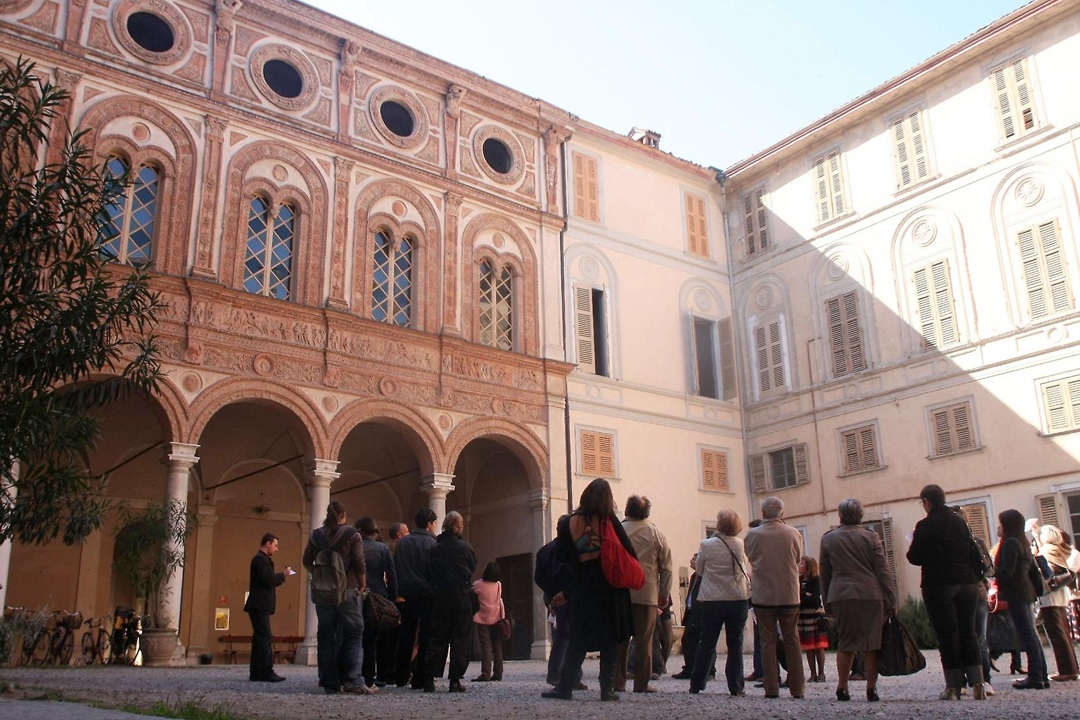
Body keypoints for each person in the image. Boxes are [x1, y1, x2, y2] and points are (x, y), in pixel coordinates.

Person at [541, 477, 635, 702]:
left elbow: (563, 558)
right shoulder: (610, 521)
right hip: (610, 588)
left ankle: (564, 687)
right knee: (610, 639)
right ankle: (607, 689)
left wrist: (566, 590)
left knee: (578, 640)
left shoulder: (570, 523)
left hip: (582, 587)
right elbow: (629, 551)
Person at [907, 485, 984, 700]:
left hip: (939, 584)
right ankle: (978, 683)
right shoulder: (960, 521)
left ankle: (954, 686)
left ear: (926, 502)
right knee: (969, 632)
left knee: (947, 634)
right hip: (968, 582)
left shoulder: (925, 525)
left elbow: (914, 557)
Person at [820, 498, 897, 702]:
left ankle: (842, 686)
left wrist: (826, 602)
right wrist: (891, 599)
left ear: (841, 515)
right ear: (860, 516)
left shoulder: (829, 539)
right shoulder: (871, 537)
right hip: (870, 594)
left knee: (846, 642)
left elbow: (825, 573)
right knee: (872, 644)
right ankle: (871, 689)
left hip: (841, 594)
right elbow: (883, 571)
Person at [301, 501, 369, 695]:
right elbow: (358, 560)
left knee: (325, 636)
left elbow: (306, 561)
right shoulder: (352, 534)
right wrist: (362, 582)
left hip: (323, 592)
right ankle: (353, 679)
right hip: (348, 589)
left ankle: (328, 681)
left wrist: (320, 574)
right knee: (354, 633)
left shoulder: (315, 536)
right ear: (343, 515)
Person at [744, 496, 805, 699]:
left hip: (764, 595)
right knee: (792, 640)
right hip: (789, 593)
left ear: (763, 513)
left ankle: (771, 687)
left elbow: (750, 557)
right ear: (782, 513)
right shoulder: (793, 533)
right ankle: (798, 688)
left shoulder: (753, 535)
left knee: (767, 642)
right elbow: (797, 558)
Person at [688, 508, 751, 696]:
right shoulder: (740, 544)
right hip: (737, 598)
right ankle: (736, 686)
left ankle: (697, 683)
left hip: (712, 598)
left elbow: (699, 570)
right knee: (736, 643)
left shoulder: (706, 544)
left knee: (706, 641)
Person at [615, 494, 672, 693]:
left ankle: (618, 682)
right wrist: (664, 593)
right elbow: (666, 567)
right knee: (644, 641)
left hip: (620, 592)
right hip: (646, 593)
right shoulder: (656, 533)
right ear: (647, 512)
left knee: (620, 640)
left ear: (627, 509)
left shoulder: (618, 530)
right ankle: (641, 683)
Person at [994, 508, 1049, 690]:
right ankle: (1042, 675)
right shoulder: (1023, 543)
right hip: (1026, 592)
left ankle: (1035, 677)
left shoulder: (1010, 543)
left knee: (1027, 635)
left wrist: (992, 573)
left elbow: (1007, 572)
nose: (998, 527)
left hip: (1016, 592)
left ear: (1008, 525)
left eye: (1001, 523)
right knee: (1031, 634)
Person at [424, 510, 477, 692]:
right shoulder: (465, 547)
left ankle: (429, 679)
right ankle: (455, 680)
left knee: (438, 637)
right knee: (460, 638)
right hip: (461, 596)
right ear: (459, 527)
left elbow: (429, 571)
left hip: (440, 597)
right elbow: (472, 567)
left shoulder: (434, 549)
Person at [394, 508, 437, 689]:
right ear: (429, 524)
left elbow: (397, 567)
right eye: (434, 523)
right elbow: (434, 570)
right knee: (426, 636)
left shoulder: (403, 543)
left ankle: (401, 675)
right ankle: (420, 676)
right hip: (427, 593)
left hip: (407, 592)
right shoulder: (433, 543)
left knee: (406, 635)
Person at [535, 533, 585, 689]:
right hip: (570, 596)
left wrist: (551, 594)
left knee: (562, 636)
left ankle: (567, 676)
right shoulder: (571, 548)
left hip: (555, 596)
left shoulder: (544, 550)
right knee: (569, 637)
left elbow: (539, 577)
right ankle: (563, 676)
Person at [956, 506, 995, 696]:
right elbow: (989, 569)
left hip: (960, 594)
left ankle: (965, 681)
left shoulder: (951, 544)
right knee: (979, 637)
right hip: (978, 592)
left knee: (963, 636)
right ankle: (984, 681)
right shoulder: (977, 542)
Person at [355, 516, 397, 690]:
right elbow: (392, 575)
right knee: (372, 641)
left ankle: (352, 676)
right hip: (377, 596)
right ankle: (369, 678)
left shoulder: (354, 547)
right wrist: (392, 599)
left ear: (361, 530)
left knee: (354, 638)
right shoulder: (382, 548)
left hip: (355, 595)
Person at [243, 532, 292, 682]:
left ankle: (257, 672)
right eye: (275, 545)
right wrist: (283, 574)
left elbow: (269, 581)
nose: (277, 549)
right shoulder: (259, 560)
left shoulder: (263, 560)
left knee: (260, 639)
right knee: (265, 638)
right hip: (259, 605)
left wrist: (281, 577)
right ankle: (265, 671)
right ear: (268, 544)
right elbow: (268, 580)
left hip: (260, 605)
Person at [1036, 524, 1078, 681]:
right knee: (1064, 634)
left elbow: (1047, 574)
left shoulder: (1046, 550)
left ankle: (1066, 670)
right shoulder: (1060, 549)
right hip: (1061, 595)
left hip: (1050, 596)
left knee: (1056, 634)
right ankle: (1072, 667)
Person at [472, 561, 506, 682]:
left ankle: (485, 673)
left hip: (482, 617)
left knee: (486, 646)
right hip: (496, 616)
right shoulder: (498, 584)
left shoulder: (478, 584)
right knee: (497, 646)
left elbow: (472, 595)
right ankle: (498, 673)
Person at [671, 553, 702, 680]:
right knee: (688, 640)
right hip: (691, 611)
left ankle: (707, 670)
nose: (691, 561)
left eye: (694, 559)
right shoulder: (695, 576)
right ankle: (689, 668)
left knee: (700, 640)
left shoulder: (703, 576)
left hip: (699, 610)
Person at [798, 556, 828, 683]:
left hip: (814, 615)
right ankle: (812, 673)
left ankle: (821, 673)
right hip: (803, 615)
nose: (799, 565)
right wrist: (805, 595)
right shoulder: (799, 580)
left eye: (802, 563)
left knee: (818, 645)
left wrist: (803, 595)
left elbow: (814, 599)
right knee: (808, 646)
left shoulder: (816, 580)